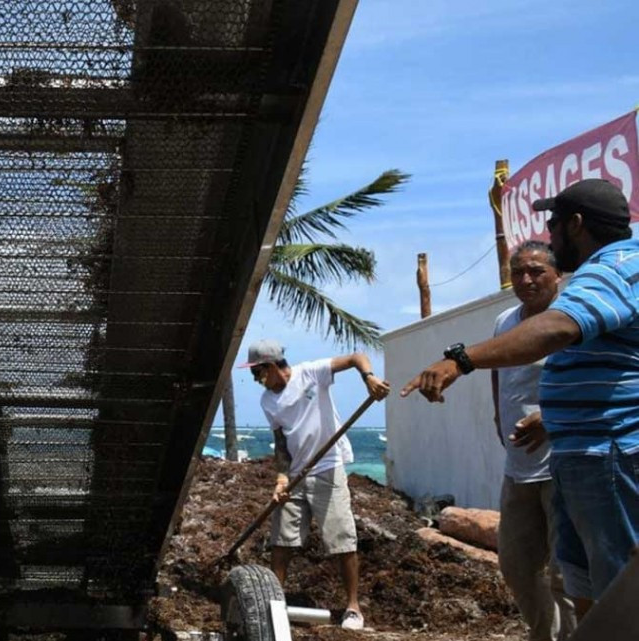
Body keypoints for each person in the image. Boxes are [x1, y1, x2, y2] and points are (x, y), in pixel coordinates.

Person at [400, 179, 639, 617]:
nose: (549, 232)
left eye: (553, 224)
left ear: (577, 224)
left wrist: (460, 360)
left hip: (606, 455)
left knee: (620, 592)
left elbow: (557, 328)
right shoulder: (603, 272)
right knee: (582, 581)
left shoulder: (615, 268)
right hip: (580, 456)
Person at [239, 339, 391, 631]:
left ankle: (353, 608)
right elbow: (281, 442)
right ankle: (276, 604)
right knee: (281, 541)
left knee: (341, 540)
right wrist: (282, 477)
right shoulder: (267, 401)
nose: (257, 381)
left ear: (270, 367)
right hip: (295, 474)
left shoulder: (311, 373)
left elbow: (356, 357)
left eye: (257, 374)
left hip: (328, 467)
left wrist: (368, 378)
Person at [491, 241, 577, 640]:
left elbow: (596, 379)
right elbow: (498, 370)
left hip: (564, 464)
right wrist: (498, 414)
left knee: (567, 573)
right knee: (515, 565)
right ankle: (545, 634)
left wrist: (550, 415)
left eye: (537, 271)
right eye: (518, 272)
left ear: (557, 275)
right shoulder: (505, 321)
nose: (526, 279)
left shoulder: (574, 319)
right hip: (518, 468)